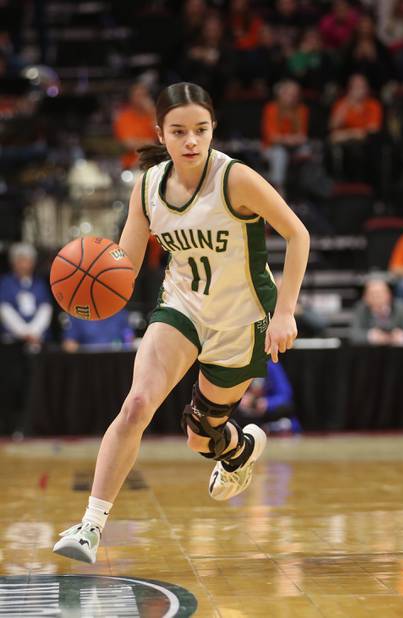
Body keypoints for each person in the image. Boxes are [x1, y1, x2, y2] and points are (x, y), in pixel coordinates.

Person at [53, 82, 310, 564]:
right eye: (179, 131)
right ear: (160, 133)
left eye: (201, 130)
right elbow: (123, 266)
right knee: (137, 405)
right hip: (183, 308)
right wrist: (86, 282)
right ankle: (90, 526)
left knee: (200, 435)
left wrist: (286, 312)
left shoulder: (235, 179)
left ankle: (237, 448)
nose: (191, 140)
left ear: (212, 129)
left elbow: (299, 234)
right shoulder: (148, 185)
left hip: (242, 320)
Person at [0, 242, 52, 349]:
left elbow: (45, 308)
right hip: (11, 341)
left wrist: (34, 331)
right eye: (20, 260)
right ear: (13, 262)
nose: (23, 264)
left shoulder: (39, 283)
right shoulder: (5, 283)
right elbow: (4, 309)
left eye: (27, 260)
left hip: (38, 340)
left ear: (33, 263)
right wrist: (24, 332)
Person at [349, 277, 403, 345]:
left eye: (380, 293)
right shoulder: (360, 309)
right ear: (365, 298)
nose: (377, 297)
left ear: (389, 295)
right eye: (372, 294)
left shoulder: (402, 307)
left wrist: (402, 336)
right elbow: (353, 335)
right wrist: (372, 336)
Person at [61, 309, 134, 352]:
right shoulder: (78, 314)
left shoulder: (119, 313)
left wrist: (128, 344)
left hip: (115, 363)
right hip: (87, 364)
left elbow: (129, 337)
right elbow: (69, 343)